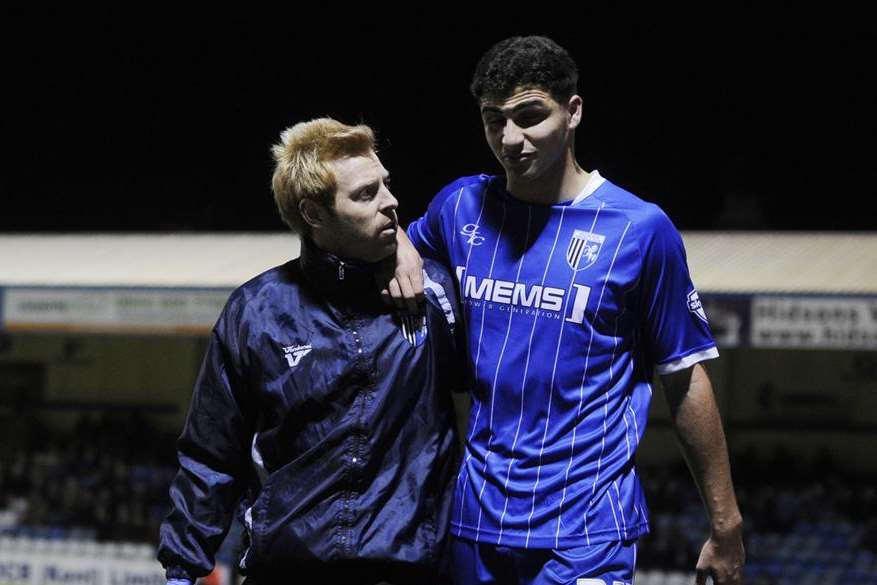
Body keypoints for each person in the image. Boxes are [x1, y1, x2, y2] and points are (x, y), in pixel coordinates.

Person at [392, 35, 745, 584]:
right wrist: (395, 243)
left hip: (586, 533)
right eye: (493, 120)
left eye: (530, 116)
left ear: (573, 110)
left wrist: (725, 524)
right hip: (474, 524)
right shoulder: (460, 206)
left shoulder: (640, 230)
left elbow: (684, 374)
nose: (510, 139)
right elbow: (397, 245)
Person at [158, 118, 463, 585]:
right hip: (286, 569)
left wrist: (403, 245)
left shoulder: (434, 290)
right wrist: (181, 573)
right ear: (314, 214)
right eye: (365, 194)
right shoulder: (256, 312)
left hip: (410, 570)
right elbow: (210, 455)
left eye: (385, 184)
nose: (391, 202)